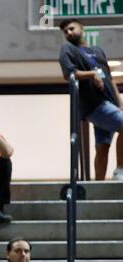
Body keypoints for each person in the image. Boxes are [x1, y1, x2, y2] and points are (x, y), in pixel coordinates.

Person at [59, 19, 123, 180]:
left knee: (102, 148)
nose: (69, 33)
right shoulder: (68, 49)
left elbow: (108, 78)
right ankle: (120, 170)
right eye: (65, 31)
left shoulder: (98, 51)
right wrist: (92, 74)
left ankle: (97, 187)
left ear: (82, 28)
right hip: (95, 105)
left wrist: (120, 103)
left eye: (71, 28)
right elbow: (70, 74)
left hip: (110, 102)